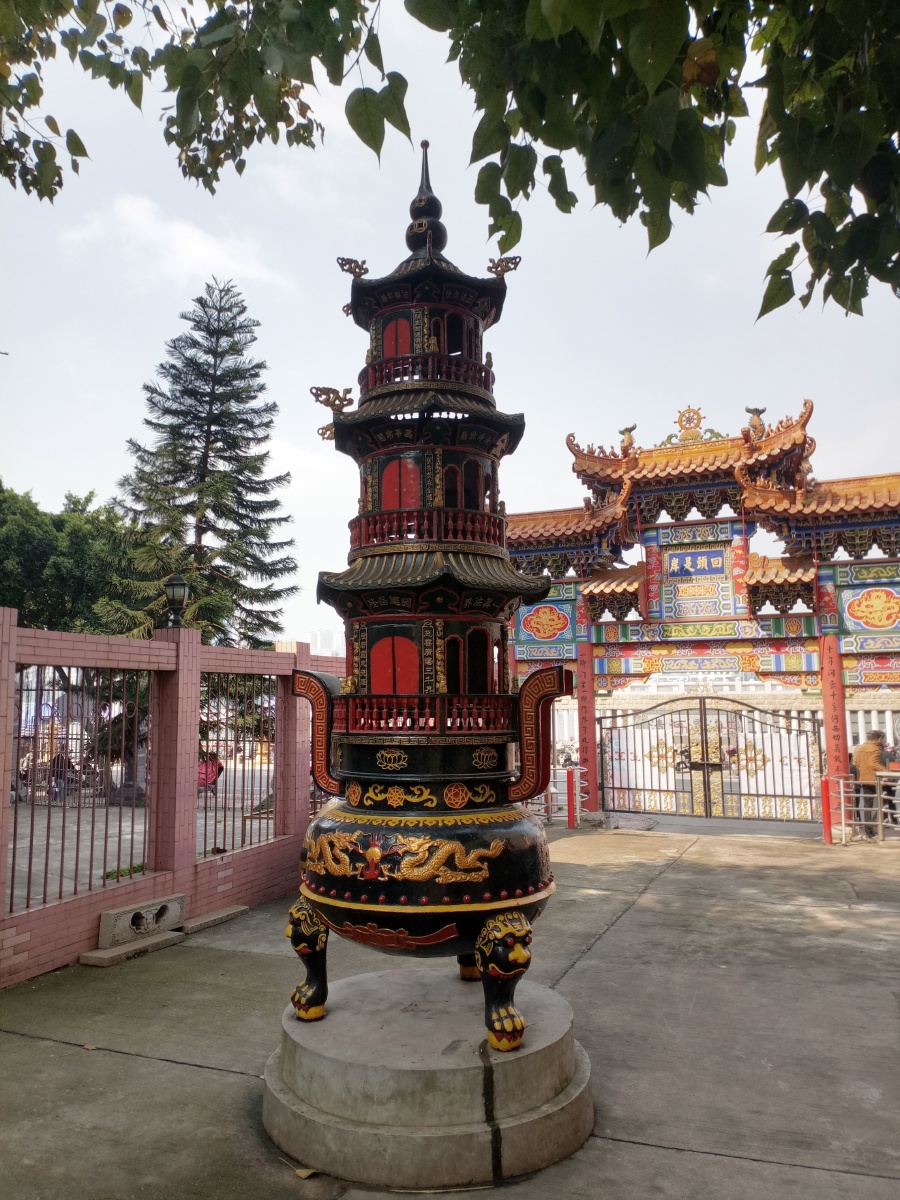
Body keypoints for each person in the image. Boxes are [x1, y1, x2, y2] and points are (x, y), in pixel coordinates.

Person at [851, 730, 888, 839]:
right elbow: (873, 763)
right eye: (882, 739)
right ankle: (873, 826)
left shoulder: (861, 748)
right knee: (880, 803)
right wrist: (886, 772)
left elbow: (857, 762)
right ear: (878, 739)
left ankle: (868, 830)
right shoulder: (875, 748)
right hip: (874, 779)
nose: (883, 741)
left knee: (867, 805)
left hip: (864, 779)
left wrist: (864, 770)